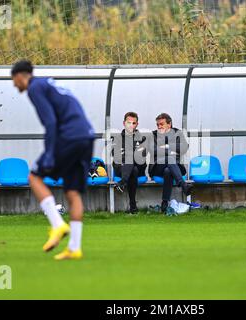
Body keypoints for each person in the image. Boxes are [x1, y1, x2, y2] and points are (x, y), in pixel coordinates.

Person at [11, 60, 95, 261]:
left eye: (14, 80)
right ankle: (74, 248)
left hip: (70, 136)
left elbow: (50, 122)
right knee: (73, 192)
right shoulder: (48, 84)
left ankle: (57, 225)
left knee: (34, 177)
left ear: (21, 76)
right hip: (86, 136)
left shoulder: (34, 88)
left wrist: (49, 154)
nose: (14, 85)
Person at [148, 113, 192, 213]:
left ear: (169, 124)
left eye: (161, 124)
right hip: (157, 166)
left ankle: (164, 202)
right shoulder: (153, 134)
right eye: (158, 124)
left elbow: (184, 147)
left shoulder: (178, 133)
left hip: (174, 167)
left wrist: (166, 146)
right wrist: (172, 150)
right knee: (169, 159)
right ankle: (183, 185)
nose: (159, 126)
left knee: (168, 171)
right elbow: (153, 149)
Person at [112, 112, 147, 214]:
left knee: (134, 166)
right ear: (124, 123)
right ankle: (133, 205)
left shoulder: (142, 138)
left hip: (139, 167)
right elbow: (116, 155)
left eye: (133, 123)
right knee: (132, 167)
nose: (131, 125)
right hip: (121, 168)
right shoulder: (117, 138)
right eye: (128, 122)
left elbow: (142, 156)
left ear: (137, 124)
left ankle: (122, 183)